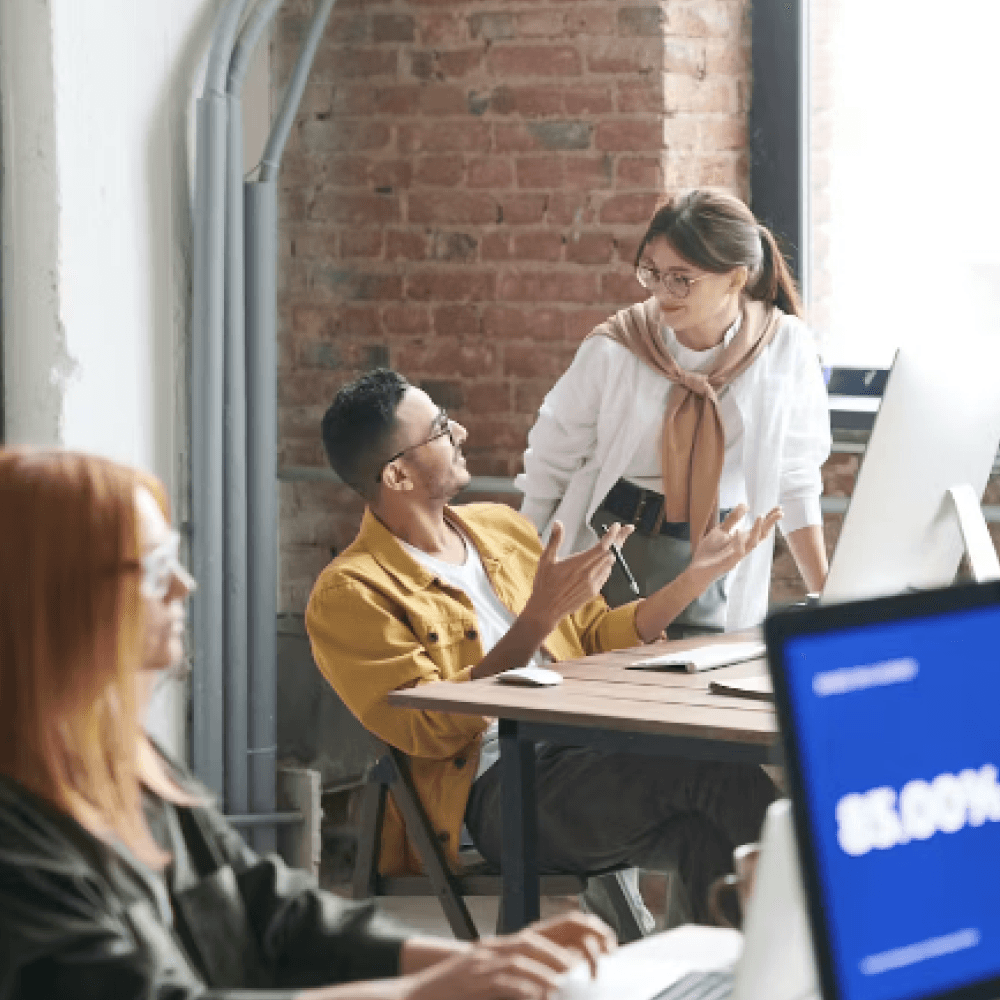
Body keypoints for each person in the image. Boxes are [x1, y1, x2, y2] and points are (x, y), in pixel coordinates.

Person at [0, 447, 618, 1000]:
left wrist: (478, 959)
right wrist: (421, 992)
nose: (185, 586)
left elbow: (265, 908)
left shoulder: (126, 760)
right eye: (156, 569)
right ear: (56, 598)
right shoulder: (15, 835)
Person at [305, 369, 780, 940]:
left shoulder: (499, 529)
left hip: (584, 747)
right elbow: (433, 727)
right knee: (717, 775)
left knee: (715, 818)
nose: (458, 429)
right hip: (496, 789)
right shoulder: (352, 592)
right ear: (398, 473)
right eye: (437, 428)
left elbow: (599, 637)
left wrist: (694, 577)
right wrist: (536, 620)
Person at [516, 188, 832, 635]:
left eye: (682, 278)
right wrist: (515, 582)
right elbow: (549, 465)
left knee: (699, 691)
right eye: (653, 273)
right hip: (608, 546)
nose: (663, 291)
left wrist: (831, 601)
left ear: (736, 279)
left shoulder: (784, 347)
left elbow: (796, 478)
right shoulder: (617, 347)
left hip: (711, 553)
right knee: (601, 685)